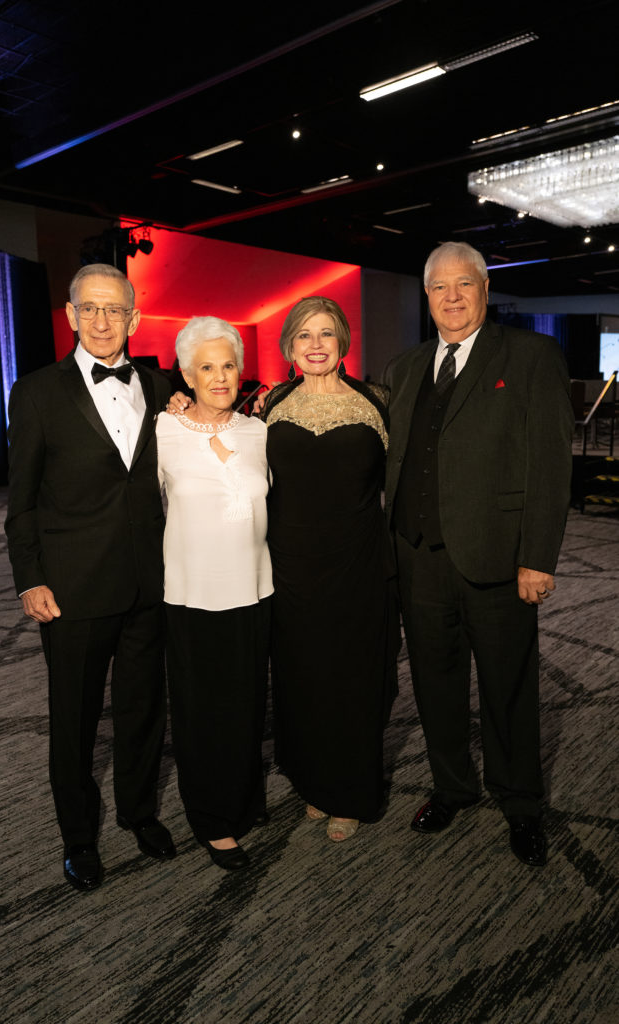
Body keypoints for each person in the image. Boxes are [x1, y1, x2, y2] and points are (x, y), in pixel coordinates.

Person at [384, 241, 574, 867]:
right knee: (435, 684)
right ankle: (452, 786)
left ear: (485, 292)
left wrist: (538, 557)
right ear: (428, 297)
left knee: (508, 687)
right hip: (419, 557)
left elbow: (549, 463)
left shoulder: (529, 356)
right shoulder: (406, 368)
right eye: (440, 287)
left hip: (498, 556)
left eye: (465, 284)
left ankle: (521, 802)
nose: (453, 297)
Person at [5, 263, 174, 892]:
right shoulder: (36, 392)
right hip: (71, 589)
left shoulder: (160, 387)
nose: (104, 322)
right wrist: (30, 578)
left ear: (134, 316)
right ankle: (78, 837)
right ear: (72, 315)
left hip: (149, 583)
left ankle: (138, 812)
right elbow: (20, 500)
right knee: (73, 720)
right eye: (91, 309)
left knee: (142, 709)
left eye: (116, 310)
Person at [262, 296, 397, 842]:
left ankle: (350, 793)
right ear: (289, 347)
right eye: (303, 335)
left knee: (354, 679)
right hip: (290, 568)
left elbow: (405, 479)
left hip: (358, 567)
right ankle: (313, 781)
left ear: (343, 341)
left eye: (325, 334)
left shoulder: (379, 402)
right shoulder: (269, 401)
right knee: (301, 678)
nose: (315, 345)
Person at [156, 316, 273, 871]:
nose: (220, 377)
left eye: (228, 365)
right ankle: (210, 818)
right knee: (201, 713)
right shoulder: (163, 430)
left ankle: (245, 800)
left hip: (254, 591)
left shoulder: (259, 431)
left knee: (247, 705)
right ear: (185, 374)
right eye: (206, 367)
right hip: (191, 596)